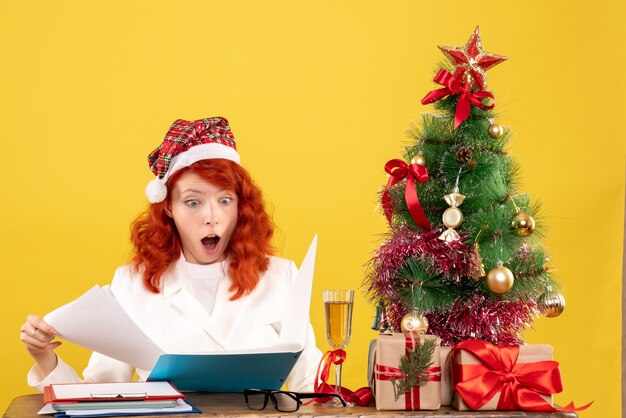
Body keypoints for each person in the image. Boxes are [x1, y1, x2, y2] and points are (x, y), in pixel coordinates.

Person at [20, 117, 322, 392]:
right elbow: (100, 393)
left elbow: (310, 386)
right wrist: (44, 358)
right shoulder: (132, 284)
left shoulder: (281, 277)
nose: (212, 217)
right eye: (193, 202)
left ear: (241, 206)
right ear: (168, 208)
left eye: (225, 200)